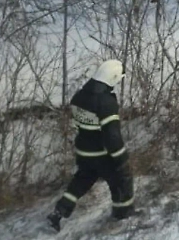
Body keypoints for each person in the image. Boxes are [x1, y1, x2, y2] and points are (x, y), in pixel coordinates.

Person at [47, 60, 134, 231]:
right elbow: (112, 136)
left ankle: (59, 211)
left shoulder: (78, 96)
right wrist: (121, 158)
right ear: (113, 77)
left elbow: (77, 125)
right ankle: (123, 217)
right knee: (121, 181)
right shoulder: (106, 103)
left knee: (81, 181)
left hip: (83, 151)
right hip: (101, 154)